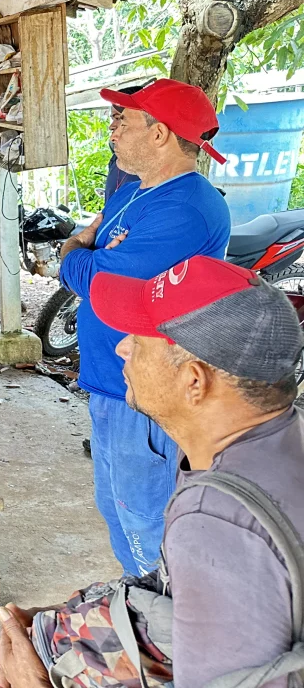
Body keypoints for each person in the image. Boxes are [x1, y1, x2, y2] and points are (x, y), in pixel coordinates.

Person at [0, 256, 304, 688]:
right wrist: (66, 617)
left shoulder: (220, 521)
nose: (122, 347)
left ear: (194, 381)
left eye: (140, 337)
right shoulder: (269, 441)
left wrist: (35, 682)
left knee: (1, 673)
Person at [58, 77, 231, 576]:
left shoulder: (186, 208)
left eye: (123, 120)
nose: (112, 129)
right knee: (116, 508)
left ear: (159, 134)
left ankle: (166, 613)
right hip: (112, 383)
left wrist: (74, 252)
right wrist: (90, 261)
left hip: (150, 392)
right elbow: (98, 268)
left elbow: (99, 279)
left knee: (146, 520)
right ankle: (140, 602)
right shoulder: (133, 193)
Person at [105, 84, 142, 202]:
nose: (111, 126)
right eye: (113, 119)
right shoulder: (116, 159)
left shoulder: (152, 166)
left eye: (118, 118)